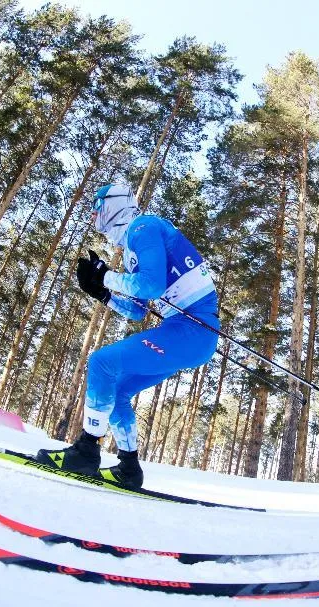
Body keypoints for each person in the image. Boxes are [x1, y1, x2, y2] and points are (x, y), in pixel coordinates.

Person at [36, 182, 219, 489]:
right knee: (118, 391)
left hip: (191, 331)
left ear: (111, 205)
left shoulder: (143, 226)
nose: (93, 215)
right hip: (181, 332)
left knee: (102, 362)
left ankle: (86, 450)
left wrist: (105, 276)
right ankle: (129, 468)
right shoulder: (134, 245)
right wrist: (102, 293)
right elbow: (138, 310)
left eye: (96, 206)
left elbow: (151, 287)